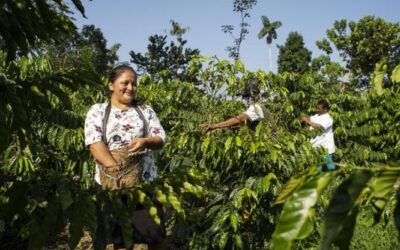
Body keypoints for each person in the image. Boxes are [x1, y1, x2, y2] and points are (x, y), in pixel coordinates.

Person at [84, 65, 167, 249]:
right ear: (111, 85)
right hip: (112, 185)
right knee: (121, 240)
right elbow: (94, 142)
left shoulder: (145, 110)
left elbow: (160, 138)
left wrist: (145, 141)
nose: (130, 87)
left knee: (156, 237)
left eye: (134, 83)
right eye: (125, 83)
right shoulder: (97, 111)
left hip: (145, 183)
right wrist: (117, 174)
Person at [200, 81, 273, 131]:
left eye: (244, 97)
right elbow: (248, 125)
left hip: (271, 148)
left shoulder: (256, 108)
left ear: (251, 96)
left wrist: (214, 126)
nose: (243, 100)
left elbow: (239, 119)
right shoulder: (259, 107)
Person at [301, 99, 336, 171]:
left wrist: (307, 121)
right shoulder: (317, 116)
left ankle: (332, 181)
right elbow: (310, 118)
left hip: (326, 148)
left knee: (329, 168)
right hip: (316, 148)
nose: (317, 110)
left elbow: (319, 127)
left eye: (319, 108)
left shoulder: (328, 119)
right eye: (316, 108)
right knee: (318, 168)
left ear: (325, 109)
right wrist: (303, 119)